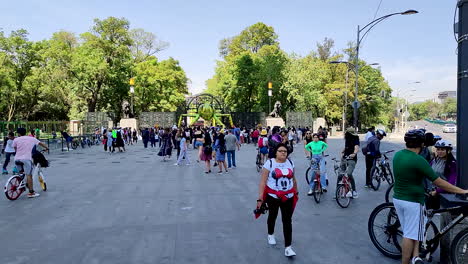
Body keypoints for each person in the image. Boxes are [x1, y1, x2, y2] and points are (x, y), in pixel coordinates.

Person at [392, 130, 468, 264]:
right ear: (422, 144)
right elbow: (438, 181)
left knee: (412, 230)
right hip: (413, 201)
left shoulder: (398, 155)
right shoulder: (419, 160)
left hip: (398, 199)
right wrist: (462, 191)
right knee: (409, 235)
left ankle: (416, 256)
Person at [256, 143, 298, 257]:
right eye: (280, 151)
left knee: (287, 220)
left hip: (288, 196)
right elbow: (263, 182)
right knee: (272, 216)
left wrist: (296, 191)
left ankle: (288, 248)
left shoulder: (290, 162)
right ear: (276, 152)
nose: (283, 152)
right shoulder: (270, 163)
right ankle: (270, 234)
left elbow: (293, 179)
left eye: (285, 151)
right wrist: (260, 198)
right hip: (273, 196)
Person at [13, 127, 49, 198]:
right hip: (26, 159)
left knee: (21, 173)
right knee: (29, 175)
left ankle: (22, 184)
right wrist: (47, 148)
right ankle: (31, 192)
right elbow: (41, 143)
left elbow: (15, 149)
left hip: (17, 159)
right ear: (25, 132)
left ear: (18, 133)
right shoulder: (31, 138)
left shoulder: (16, 139)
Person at [428, 140, 457, 204]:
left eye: (442, 149)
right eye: (438, 149)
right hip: (431, 192)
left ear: (449, 151)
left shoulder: (452, 164)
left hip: (445, 195)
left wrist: (438, 191)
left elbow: (451, 182)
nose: (439, 151)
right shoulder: (434, 160)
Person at [340, 127, 360, 198]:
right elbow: (346, 146)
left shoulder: (356, 138)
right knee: (340, 174)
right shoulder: (347, 138)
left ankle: (354, 191)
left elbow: (356, 147)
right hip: (345, 157)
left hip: (352, 158)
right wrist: (342, 151)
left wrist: (354, 153)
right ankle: (338, 192)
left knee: (349, 173)